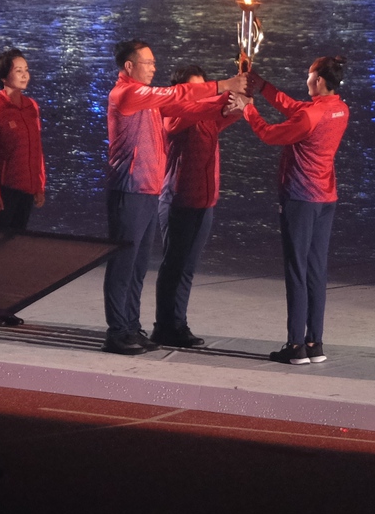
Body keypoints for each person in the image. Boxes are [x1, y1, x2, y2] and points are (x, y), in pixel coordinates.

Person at [101, 41, 245, 354]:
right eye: (148, 62)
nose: (154, 67)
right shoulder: (127, 94)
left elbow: (189, 106)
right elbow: (179, 95)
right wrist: (223, 85)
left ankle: (132, 327)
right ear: (129, 66)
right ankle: (116, 332)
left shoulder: (150, 99)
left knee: (139, 267)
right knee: (123, 265)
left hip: (150, 189)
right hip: (129, 187)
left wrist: (232, 98)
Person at [229, 55, 350, 366]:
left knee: (296, 270)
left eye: (309, 75)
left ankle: (295, 344)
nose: (306, 80)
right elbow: (293, 107)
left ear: (319, 81)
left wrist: (248, 109)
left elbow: (270, 134)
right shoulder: (339, 108)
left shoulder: (311, 117)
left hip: (300, 198)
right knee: (316, 271)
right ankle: (315, 342)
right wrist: (261, 84)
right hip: (326, 197)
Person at [153, 64, 240, 349]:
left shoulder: (207, 118)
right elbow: (202, 109)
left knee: (188, 267)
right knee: (174, 266)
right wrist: (223, 91)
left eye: (205, 88)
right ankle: (164, 326)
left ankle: (179, 323)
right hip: (178, 199)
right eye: (196, 90)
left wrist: (243, 91)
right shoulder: (173, 115)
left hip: (205, 201)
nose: (201, 96)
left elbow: (234, 111)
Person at [0, 48, 45, 233]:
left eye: (26, 70)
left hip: (27, 190)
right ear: (3, 77)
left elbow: (37, 149)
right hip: (4, 190)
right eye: (18, 71)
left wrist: (39, 185)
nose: (25, 75)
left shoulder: (31, 106)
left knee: (17, 245)